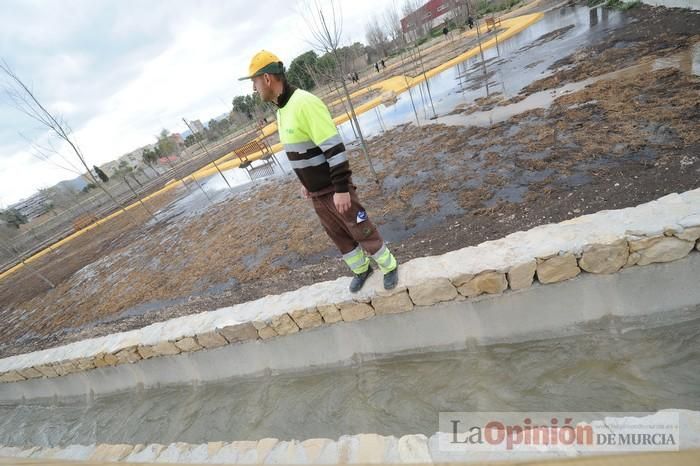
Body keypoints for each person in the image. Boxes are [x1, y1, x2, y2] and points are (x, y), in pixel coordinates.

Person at [239, 50, 399, 292]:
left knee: (359, 226)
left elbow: (334, 148)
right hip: (317, 193)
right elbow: (304, 150)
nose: (254, 87)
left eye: (255, 81)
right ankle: (361, 269)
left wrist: (342, 189)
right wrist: (306, 182)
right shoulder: (282, 109)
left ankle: (389, 266)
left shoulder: (304, 103)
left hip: (335, 189)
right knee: (339, 235)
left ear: (268, 79)